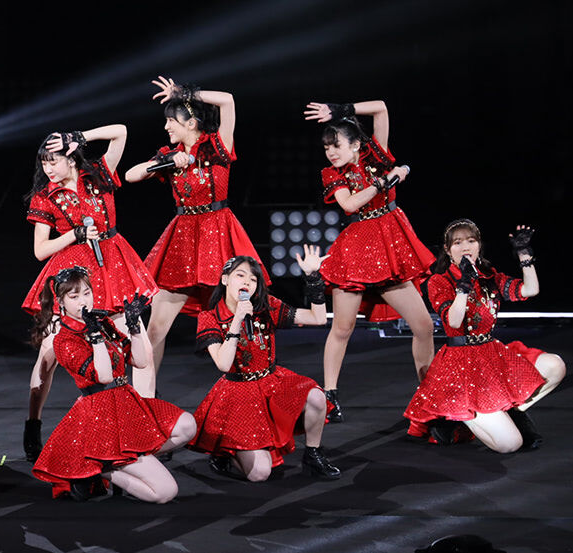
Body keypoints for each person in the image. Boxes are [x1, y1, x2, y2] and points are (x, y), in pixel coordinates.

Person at [22, 125, 159, 462]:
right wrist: (74, 235)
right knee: (49, 354)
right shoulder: (46, 197)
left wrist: (78, 137)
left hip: (113, 267)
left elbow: (121, 132)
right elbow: (40, 250)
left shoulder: (98, 174)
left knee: (137, 346)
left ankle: (144, 425)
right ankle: (33, 424)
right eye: (43, 162)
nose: (48, 168)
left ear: (71, 158)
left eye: (53, 160)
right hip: (71, 275)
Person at [124, 77, 267, 397]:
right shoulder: (168, 154)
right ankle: (144, 399)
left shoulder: (217, 145)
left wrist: (184, 93)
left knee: (239, 321)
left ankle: (252, 391)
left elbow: (227, 100)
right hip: (182, 240)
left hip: (219, 235)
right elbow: (130, 176)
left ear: (191, 123)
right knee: (154, 329)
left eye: (171, 121)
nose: (166, 127)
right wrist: (164, 162)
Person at [304, 100, 435, 422]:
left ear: (355, 144)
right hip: (357, 250)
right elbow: (349, 205)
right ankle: (330, 395)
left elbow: (381, 109)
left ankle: (429, 395)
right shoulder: (332, 173)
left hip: (390, 245)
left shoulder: (376, 154)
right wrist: (383, 182)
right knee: (343, 327)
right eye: (326, 148)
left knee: (423, 325)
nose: (331, 153)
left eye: (336, 145)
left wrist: (340, 110)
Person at [31, 266, 196, 503]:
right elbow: (104, 376)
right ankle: (101, 468)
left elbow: (140, 361)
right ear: (61, 302)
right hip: (103, 415)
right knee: (165, 492)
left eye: (86, 293)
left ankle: (120, 461)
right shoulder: (64, 340)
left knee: (187, 426)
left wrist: (134, 327)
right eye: (74, 297)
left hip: (126, 401)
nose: (83, 301)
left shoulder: (103, 322)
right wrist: (95, 336)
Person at [404, 221, 565, 452]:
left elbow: (530, 290)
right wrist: (464, 285)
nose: (465, 247)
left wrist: (524, 255)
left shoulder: (489, 276)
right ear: (448, 250)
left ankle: (505, 412)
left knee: (555, 366)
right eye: (457, 243)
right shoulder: (440, 281)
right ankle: (460, 415)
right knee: (510, 444)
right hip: (461, 367)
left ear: (479, 246)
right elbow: (454, 321)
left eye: (471, 241)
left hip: (491, 356)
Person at [189, 251, 340, 480]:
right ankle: (225, 453)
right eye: (240, 275)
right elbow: (223, 364)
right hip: (238, 395)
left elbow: (317, 318)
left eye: (253, 279)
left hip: (272, 382)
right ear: (225, 279)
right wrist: (237, 320)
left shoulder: (265, 307)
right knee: (260, 474)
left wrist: (313, 279)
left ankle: (313, 454)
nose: (247, 282)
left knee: (317, 397)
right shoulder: (209, 317)